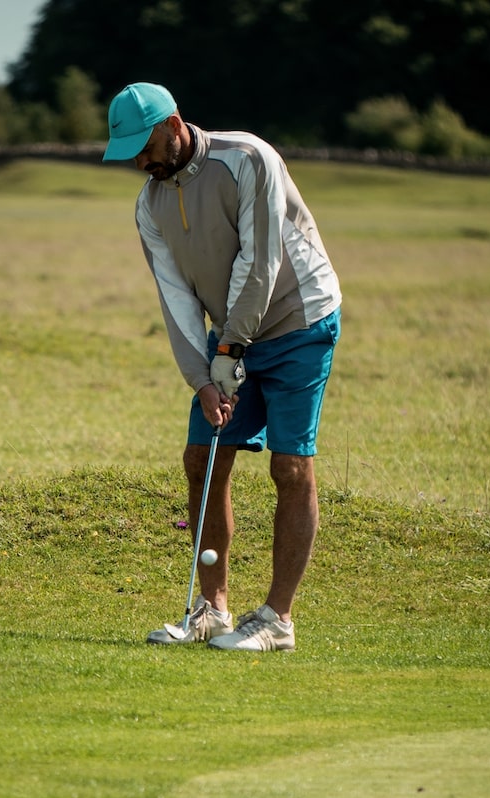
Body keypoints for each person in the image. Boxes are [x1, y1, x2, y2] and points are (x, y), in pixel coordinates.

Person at [103, 83, 342, 651]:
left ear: (174, 124)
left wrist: (230, 351)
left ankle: (277, 620)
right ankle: (212, 609)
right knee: (202, 456)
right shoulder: (149, 205)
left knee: (289, 467)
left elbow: (261, 261)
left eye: (146, 146)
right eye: (131, 152)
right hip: (232, 337)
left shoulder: (247, 158)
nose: (141, 161)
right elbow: (176, 299)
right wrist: (203, 377)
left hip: (298, 320)